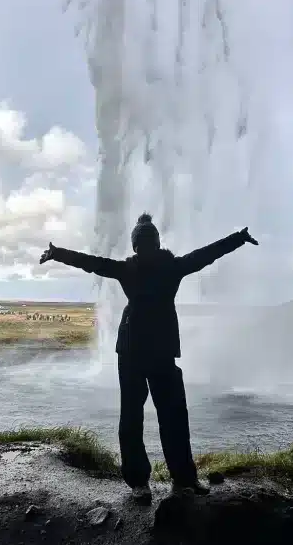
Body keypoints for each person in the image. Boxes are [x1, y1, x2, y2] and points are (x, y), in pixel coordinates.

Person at [40, 214, 258, 504]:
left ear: (151, 243)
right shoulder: (166, 267)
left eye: (146, 241)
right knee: (159, 417)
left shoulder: (149, 268)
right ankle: (164, 481)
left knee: (153, 417)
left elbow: (93, 263)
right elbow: (204, 255)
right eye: (141, 242)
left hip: (144, 352)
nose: (144, 246)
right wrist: (238, 238)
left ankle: (169, 480)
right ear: (140, 245)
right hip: (143, 352)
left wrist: (237, 239)